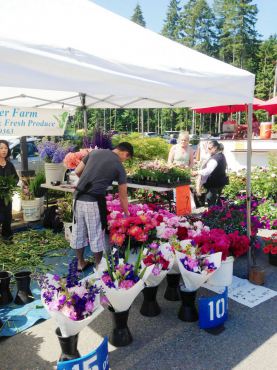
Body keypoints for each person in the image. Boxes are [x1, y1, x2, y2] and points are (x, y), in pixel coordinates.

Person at [71, 142, 134, 271]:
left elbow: (77, 171)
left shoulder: (94, 152)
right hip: (93, 201)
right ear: (125, 153)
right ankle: (99, 266)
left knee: (78, 231)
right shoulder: (119, 166)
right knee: (96, 235)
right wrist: (127, 213)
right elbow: (123, 195)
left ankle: (80, 263)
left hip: (77, 198)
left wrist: (89, 182)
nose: (125, 160)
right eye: (127, 158)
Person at [192, 140, 228, 207]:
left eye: (209, 148)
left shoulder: (215, 158)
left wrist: (196, 172)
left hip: (213, 185)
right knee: (216, 204)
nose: (208, 150)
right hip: (219, 183)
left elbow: (208, 171)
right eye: (207, 148)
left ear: (215, 148)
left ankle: (211, 216)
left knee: (211, 204)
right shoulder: (221, 155)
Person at [0, 139, 19, 241]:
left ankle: (7, 236)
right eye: (1, 148)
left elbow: (16, 178)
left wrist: (11, 184)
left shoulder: (9, 164)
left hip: (7, 196)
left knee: (7, 217)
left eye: (6, 148)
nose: (4, 150)